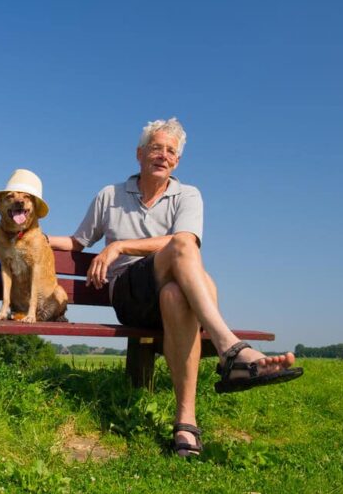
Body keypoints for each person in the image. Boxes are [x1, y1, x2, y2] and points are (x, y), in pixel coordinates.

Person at [48, 118, 302, 456]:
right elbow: (78, 241)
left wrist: (121, 245)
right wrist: (35, 236)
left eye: (171, 151)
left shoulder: (189, 195)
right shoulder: (110, 195)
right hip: (129, 293)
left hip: (169, 296)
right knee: (183, 248)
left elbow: (185, 240)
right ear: (139, 154)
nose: (163, 155)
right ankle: (232, 352)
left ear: (177, 161)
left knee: (175, 290)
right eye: (156, 148)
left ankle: (186, 423)